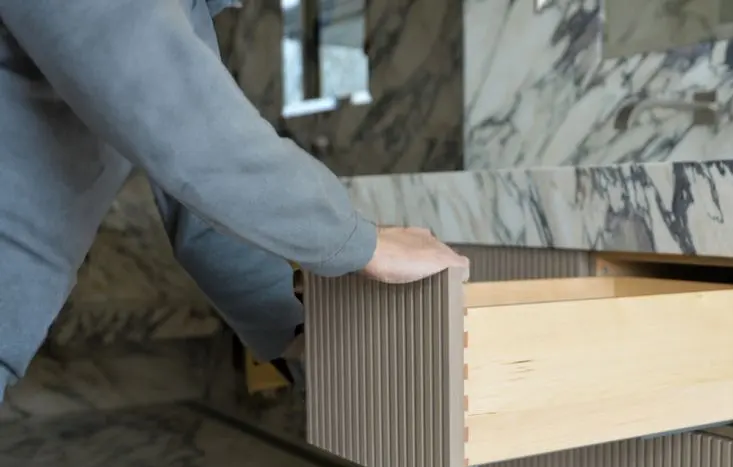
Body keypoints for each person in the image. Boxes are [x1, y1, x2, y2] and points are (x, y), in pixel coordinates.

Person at [0, 0, 470, 403]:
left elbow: (199, 211)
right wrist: (364, 244)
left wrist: (294, 330)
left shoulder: (186, 15)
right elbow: (189, 134)